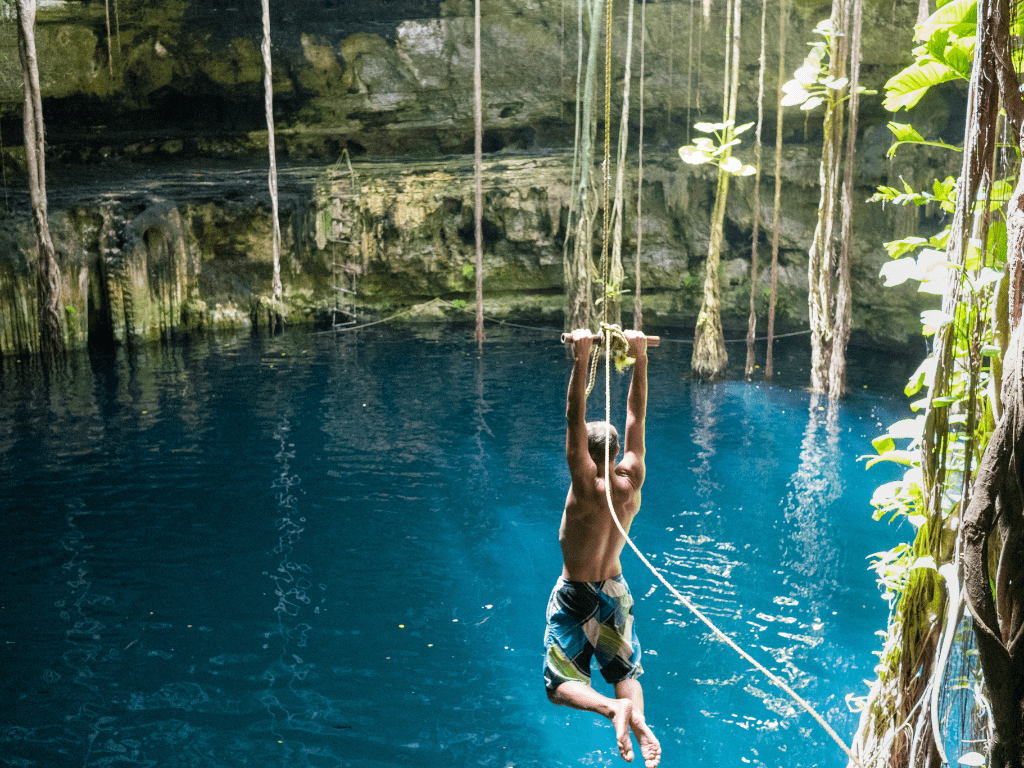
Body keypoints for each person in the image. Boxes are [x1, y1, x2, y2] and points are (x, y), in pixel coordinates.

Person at [544, 328, 661, 768]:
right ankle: (638, 719)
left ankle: (613, 710)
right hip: (615, 591)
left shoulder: (584, 481)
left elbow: (574, 415)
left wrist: (581, 357)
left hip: (576, 594)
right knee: (624, 673)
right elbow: (636, 417)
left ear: (587, 456)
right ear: (615, 452)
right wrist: (639, 357)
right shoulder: (630, 479)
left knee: (558, 685)